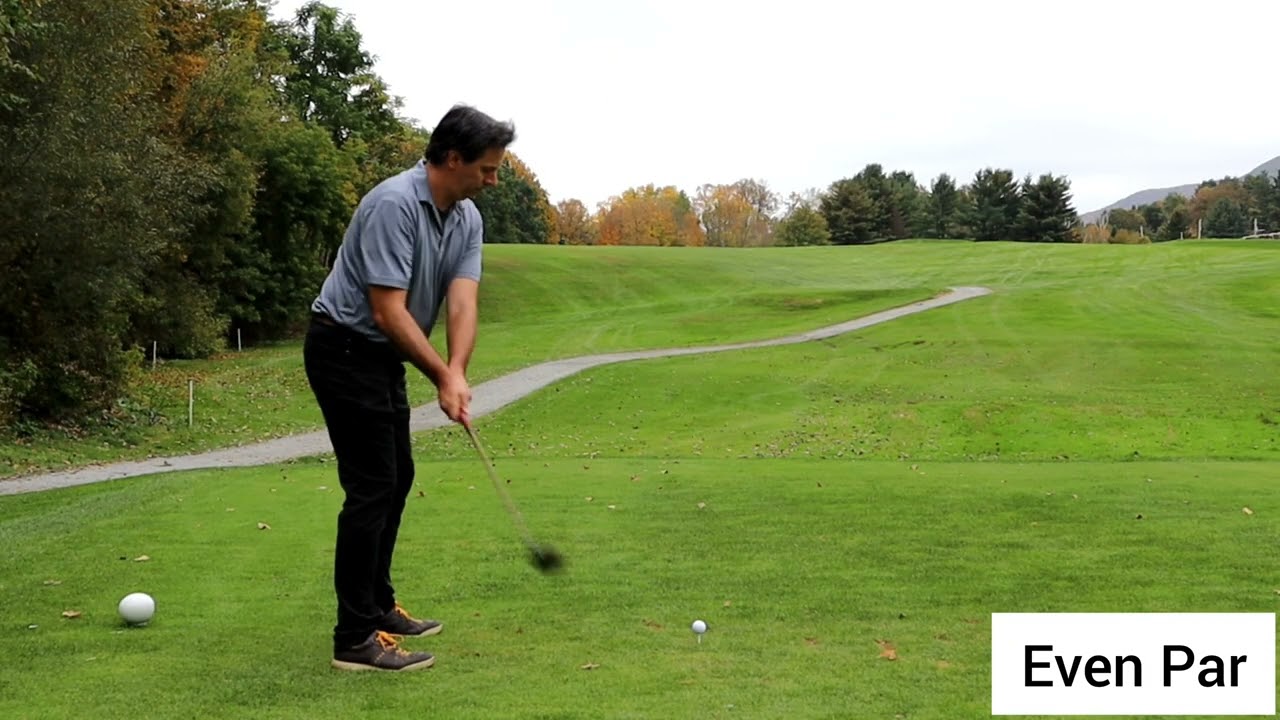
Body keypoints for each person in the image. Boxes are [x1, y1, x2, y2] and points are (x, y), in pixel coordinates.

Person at [303, 104, 515, 672]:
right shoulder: (393, 204)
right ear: (452, 159)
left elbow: (463, 299)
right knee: (373, 485)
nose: (493, 180)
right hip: (343, 348)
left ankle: (375, 606)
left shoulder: (466, 216)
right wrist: (441, 376)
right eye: (487, 169)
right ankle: (353, 639)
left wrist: (460, 370)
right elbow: (386, 311)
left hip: (383, 357)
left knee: (398, 478)